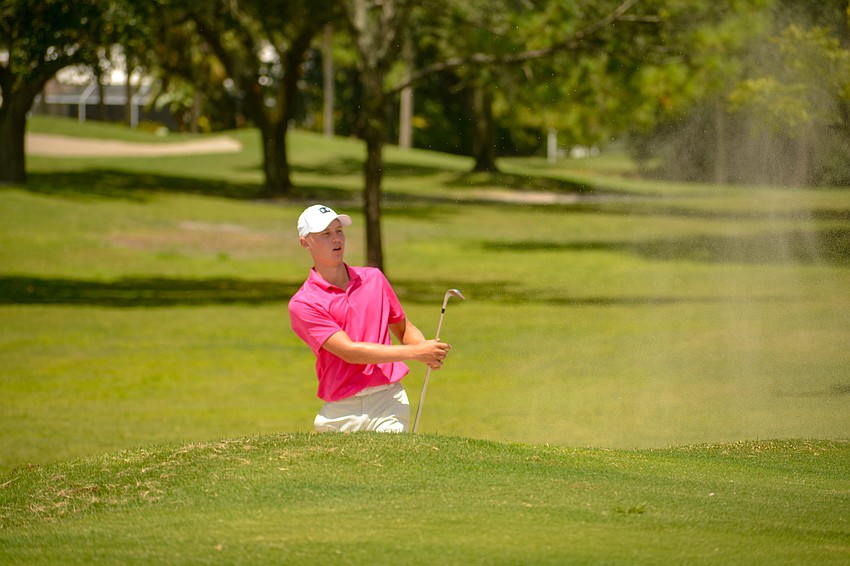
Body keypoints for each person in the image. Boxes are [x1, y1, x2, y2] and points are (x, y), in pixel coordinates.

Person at [288, 204, 450, 433]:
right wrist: (416, 353)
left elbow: (404, 330)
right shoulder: (303, 303)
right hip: (341, 408)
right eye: (325, 234)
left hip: (388, 398)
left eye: (339, 231)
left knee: (388, 462)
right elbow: (350, 352)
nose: (336, 239)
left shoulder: (373, 278)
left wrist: (424, 349)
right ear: (305, 242)